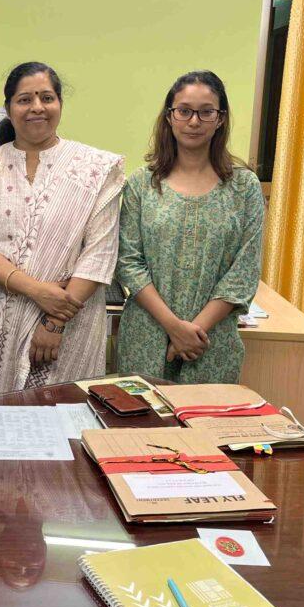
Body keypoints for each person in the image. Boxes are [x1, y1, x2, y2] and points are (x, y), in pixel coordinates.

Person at [0, 62, 125, 394]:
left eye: (47, 98)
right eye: (24, 99)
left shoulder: (95, 168)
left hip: (72, 325)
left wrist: (55, 322)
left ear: (60, 104)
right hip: (2, 322)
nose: (37, 107)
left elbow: (99, 254)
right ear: (8, 108)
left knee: (67, 416)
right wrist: (38, 291)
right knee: (4, 418)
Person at [116, 70, 264, 384]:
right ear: (170, 116)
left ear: (220, 119)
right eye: (184, 111)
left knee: (205, 416)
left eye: (206, 112)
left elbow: (244, 271)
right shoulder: (142, 184)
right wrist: (174, 327)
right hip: (146, 335)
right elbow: (128, 262)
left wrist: (193, 332)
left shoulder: (244, 187)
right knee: (143, 416)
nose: (194, 121)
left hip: (211, 341)